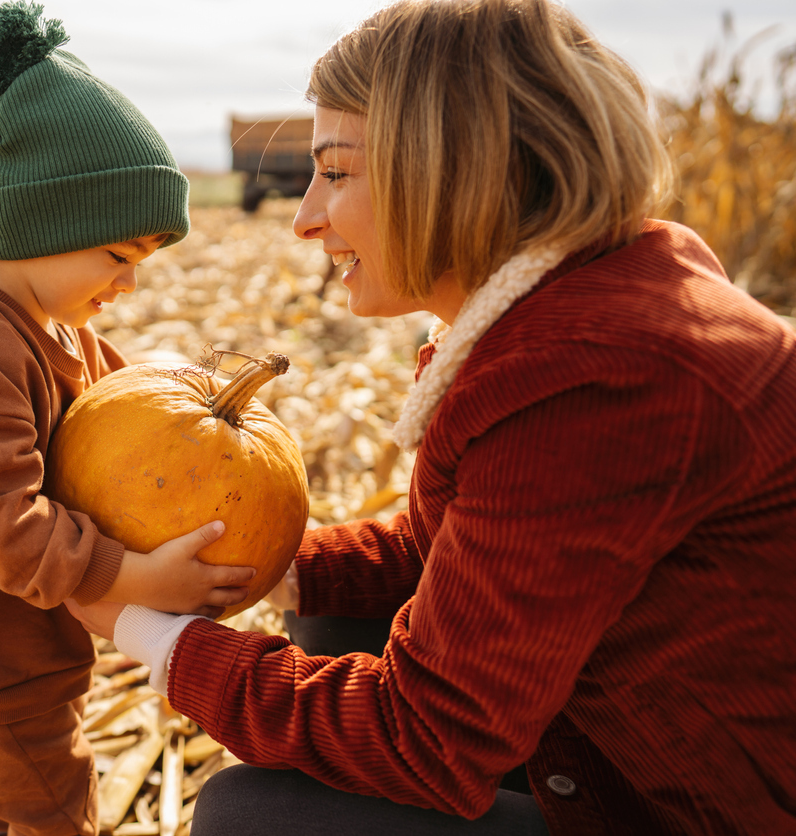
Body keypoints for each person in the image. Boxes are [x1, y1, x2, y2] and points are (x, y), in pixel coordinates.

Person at [66, 0, 796, 833]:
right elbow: (446, 549)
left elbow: (427, 739)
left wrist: (139, 626)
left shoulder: (595, 379)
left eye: (335, 174)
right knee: (330, 615)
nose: (305, 219)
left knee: (255, 818)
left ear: (452, 168)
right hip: (643, 738)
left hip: (710, 810)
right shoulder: (590, 296)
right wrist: (249, 565)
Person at [0, 4, 254, 836]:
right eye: (116, 257)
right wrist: (132, 581)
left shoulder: (58, 328)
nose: (129, 285)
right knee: (52, 811)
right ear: (42, 222)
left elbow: (126, 416)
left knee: (12, 803)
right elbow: (5, 527)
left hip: (9, 648)